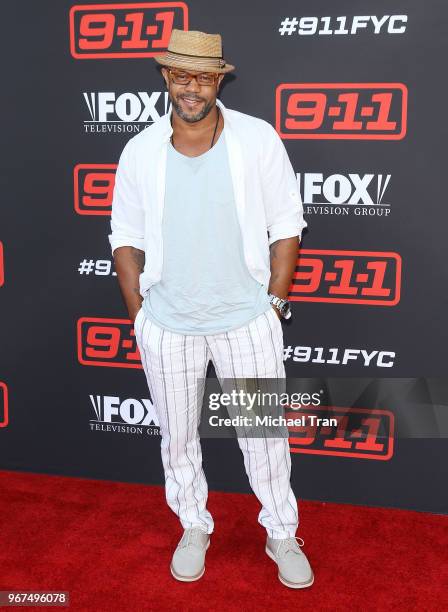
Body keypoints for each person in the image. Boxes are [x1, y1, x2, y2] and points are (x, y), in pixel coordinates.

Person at [108, 28, 313, 589]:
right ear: (166, 78)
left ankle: (281, 531)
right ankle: (193, 524)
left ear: (219, 80)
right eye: (180, 76)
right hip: (167, 324)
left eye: (201, 77)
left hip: (247, 320)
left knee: (264, 436)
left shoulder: (257, 138)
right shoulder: (140, 150)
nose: (190, 88)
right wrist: (138, 314)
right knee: (176, 437)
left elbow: (287, 223)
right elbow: (124, 233)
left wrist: (274, 301)